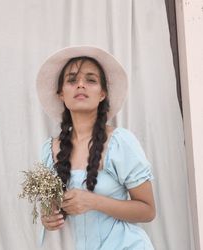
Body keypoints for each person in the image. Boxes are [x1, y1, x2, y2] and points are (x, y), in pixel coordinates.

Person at [36, 46, 156, 250]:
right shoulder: (49, 150)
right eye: (72, 80)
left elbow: (147, 210)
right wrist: (48, 218)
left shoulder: (121, 142)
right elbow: (50, 208)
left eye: (90, 80)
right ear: (61, 94)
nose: (80, 85)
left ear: (102, 94)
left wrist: (94, 201)